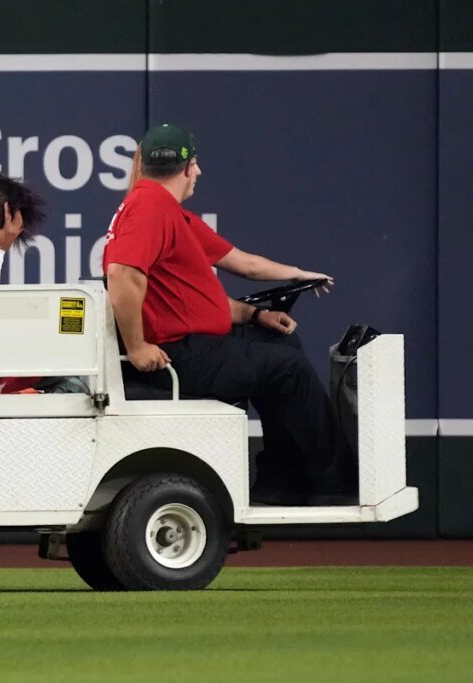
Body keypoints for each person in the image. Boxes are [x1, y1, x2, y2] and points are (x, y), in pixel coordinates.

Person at [103, 124, 354, 506]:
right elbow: (123, 273)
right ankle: (332, 484)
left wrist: (260, 311)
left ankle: (280, 481)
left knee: (281, 342)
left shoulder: (166, 212)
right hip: (178, 354)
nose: (200, 173)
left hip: (191, 344)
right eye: (197, 164)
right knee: (289, 368)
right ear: (186, 168)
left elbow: (245, 266)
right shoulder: (150, 208)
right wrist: (137, 346)